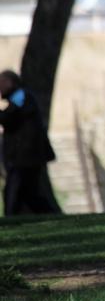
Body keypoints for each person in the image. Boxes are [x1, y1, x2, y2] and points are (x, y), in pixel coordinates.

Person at [0, 69, 61, 216]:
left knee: (14, 191)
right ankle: (52, 215)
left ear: (9, 82)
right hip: (26, 156)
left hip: (26, 156)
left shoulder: (21, 96)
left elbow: (11, 118)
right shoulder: (20, 97)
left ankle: (10, 219)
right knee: (30, 193)